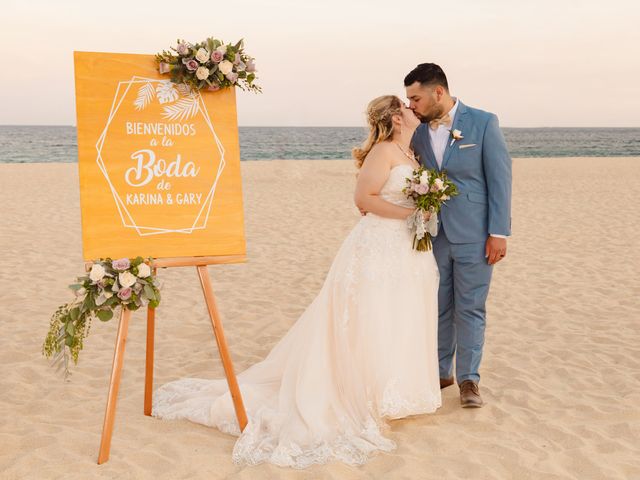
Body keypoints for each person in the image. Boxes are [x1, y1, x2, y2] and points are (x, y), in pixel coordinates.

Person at [153, 95, 441, 468]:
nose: (411, 109)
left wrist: (423, 210)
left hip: (407, 249)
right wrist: (411, 210)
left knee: (397, 315)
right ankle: (363, 392)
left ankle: (394, 391)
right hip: (377, 246)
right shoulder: (384, 151)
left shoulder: (412, 153)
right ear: (396, 118)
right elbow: (364, 198)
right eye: (405, 105)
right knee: (370, 317)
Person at [405, 63, 512, 408]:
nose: (411, 106)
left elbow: (500, 180)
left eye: (416, 98)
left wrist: (498, 232)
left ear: (438, 92)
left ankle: (469, 380)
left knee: (471, 308)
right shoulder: (418, 134)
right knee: (438, 306)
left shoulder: (483, 122)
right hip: (434, 235)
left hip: (476, 234)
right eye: (409, 100)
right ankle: (440, 373)